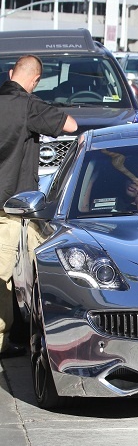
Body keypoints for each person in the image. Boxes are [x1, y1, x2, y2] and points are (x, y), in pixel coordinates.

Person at [0, 54, 77, 359]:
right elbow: (71, 125)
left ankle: (14, 338)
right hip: (10, 209)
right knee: (6, 275)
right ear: (34, 82)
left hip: (12, 212)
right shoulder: (27, 106)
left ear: (10, 73)